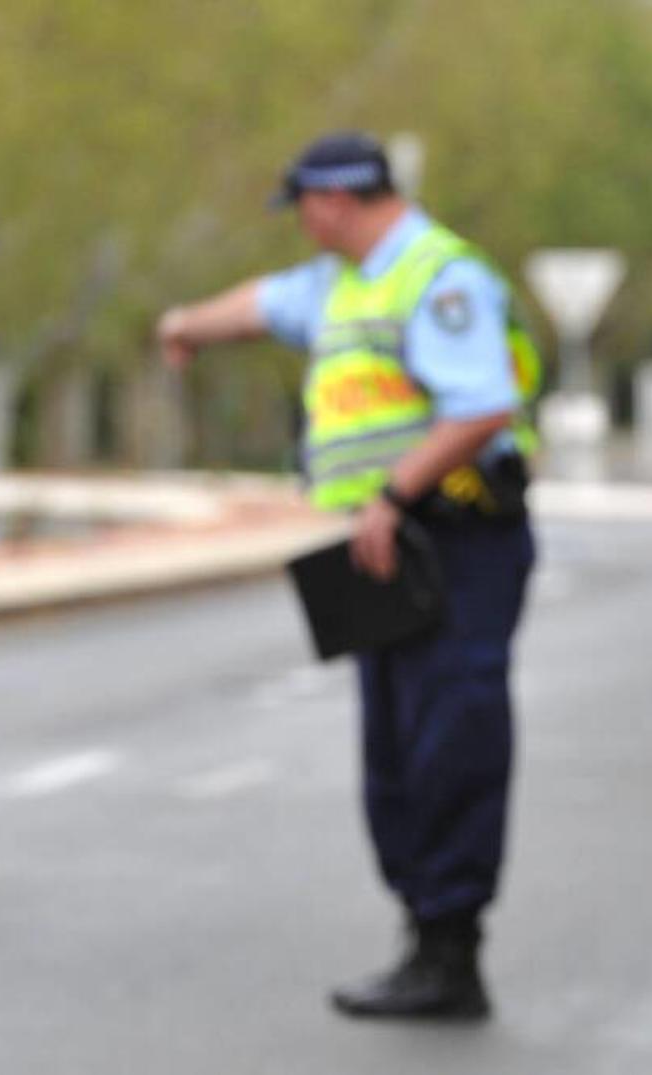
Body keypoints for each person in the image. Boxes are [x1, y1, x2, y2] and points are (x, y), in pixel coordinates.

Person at [157, 131, 538, 1021]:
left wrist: (393, 497)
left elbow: (483, 406)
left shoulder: (438, 277)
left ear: (332, 199)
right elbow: (261, 305)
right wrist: (184, 327)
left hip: (454, 538)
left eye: (301, 208)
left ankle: (451, 949)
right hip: (391, 546)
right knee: (397, 749)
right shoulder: (347, 282)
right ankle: (424, 936)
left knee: (450, 743)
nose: (301, 225)